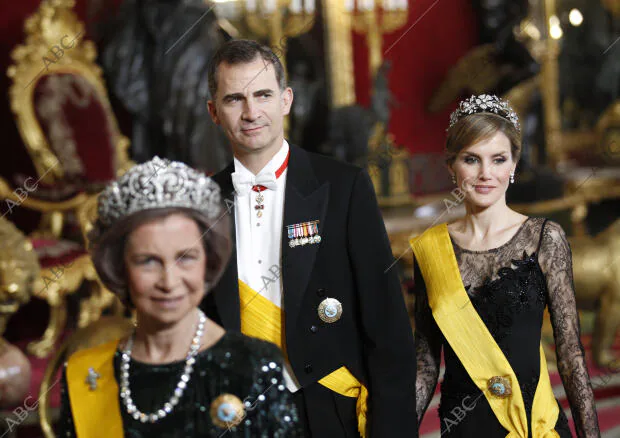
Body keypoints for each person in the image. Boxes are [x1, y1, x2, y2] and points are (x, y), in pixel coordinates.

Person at [202, 39, 417, 437]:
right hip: (236, 415)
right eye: (235, 99)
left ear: (286, 100)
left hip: (328, 409)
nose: (251, 112)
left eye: (263, 94)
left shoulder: (343, 187)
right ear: (214, 112)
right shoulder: (199, 204)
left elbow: (387, 325)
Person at [59, 157, 302, 437]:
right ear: (119, 267)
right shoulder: (85, 373)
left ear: (208, 262)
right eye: (147, 261)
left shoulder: (253, 365)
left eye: (186, 258)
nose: (169, 281)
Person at [410, 94, 600, 437]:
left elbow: (571, 356)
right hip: (463, 426)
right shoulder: (430, 250)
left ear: (513, 165)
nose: (486, 174)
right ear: (451, 166)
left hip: (534, 422)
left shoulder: (545, 239)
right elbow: (425, 364)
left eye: (498, 159)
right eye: (471, 159)